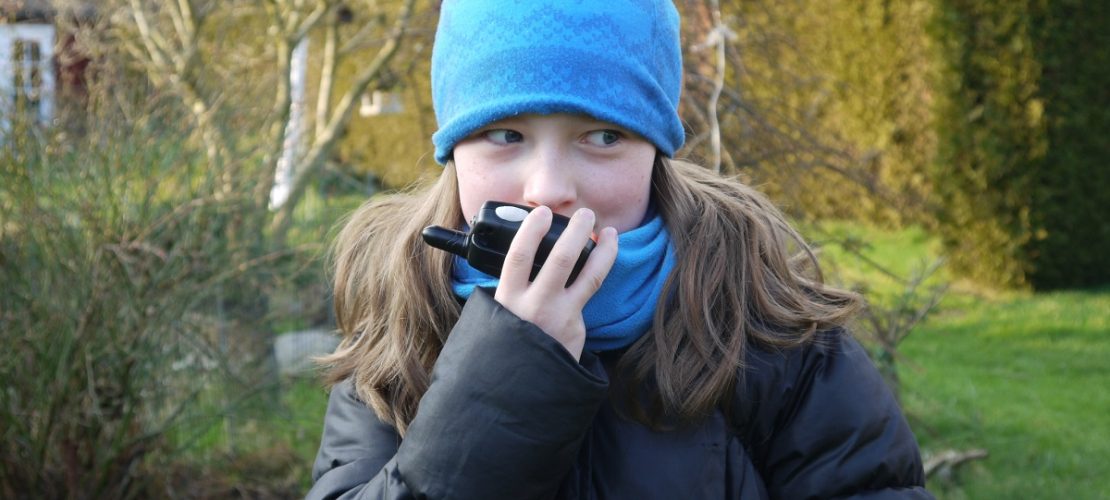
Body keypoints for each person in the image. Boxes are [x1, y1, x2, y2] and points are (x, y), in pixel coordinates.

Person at [308, 1, 931, 498]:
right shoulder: (403, 322)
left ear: (654, 151)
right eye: (506, 134)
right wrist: (509, 370)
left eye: (603, 135)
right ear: (453, 153)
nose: (548, 188)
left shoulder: (767, 329)